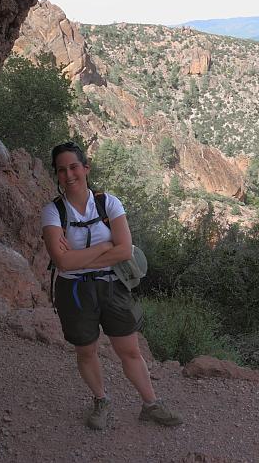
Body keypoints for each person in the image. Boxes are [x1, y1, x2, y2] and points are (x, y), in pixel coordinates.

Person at [41, 141, 183, 430]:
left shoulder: (109, 203)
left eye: (74, 167)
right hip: (75, 292)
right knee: (86, 350)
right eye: (62, 170)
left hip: (112, 286)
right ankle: (101, 400)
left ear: (86, 168)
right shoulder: (53, 212)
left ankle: (151, 404)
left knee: (129, 349)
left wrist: (79, 257)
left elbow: (125, 250)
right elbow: (62, 263)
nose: (69, 175)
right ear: (56, 174)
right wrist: (106, 246)